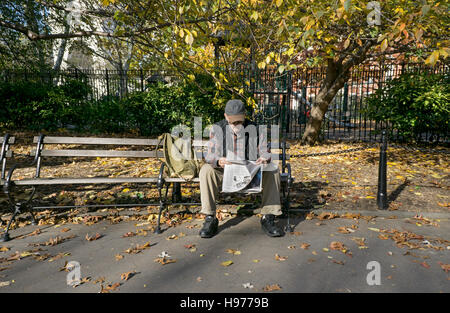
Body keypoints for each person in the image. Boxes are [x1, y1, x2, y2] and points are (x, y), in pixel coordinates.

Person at [199, 99, 284, 238]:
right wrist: (219, 160)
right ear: (226, 117)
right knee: (206, 170)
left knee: (272, 169)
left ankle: (268, 216)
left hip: (249, 171)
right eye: (233, 122)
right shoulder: (217, 128)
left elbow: (265, 151)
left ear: (244, 116)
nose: (237, 125)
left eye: (239, 121)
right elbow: (209, 154)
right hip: (226, 171)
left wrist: (264, 158)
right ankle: (210, 217)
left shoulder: (255, 129)